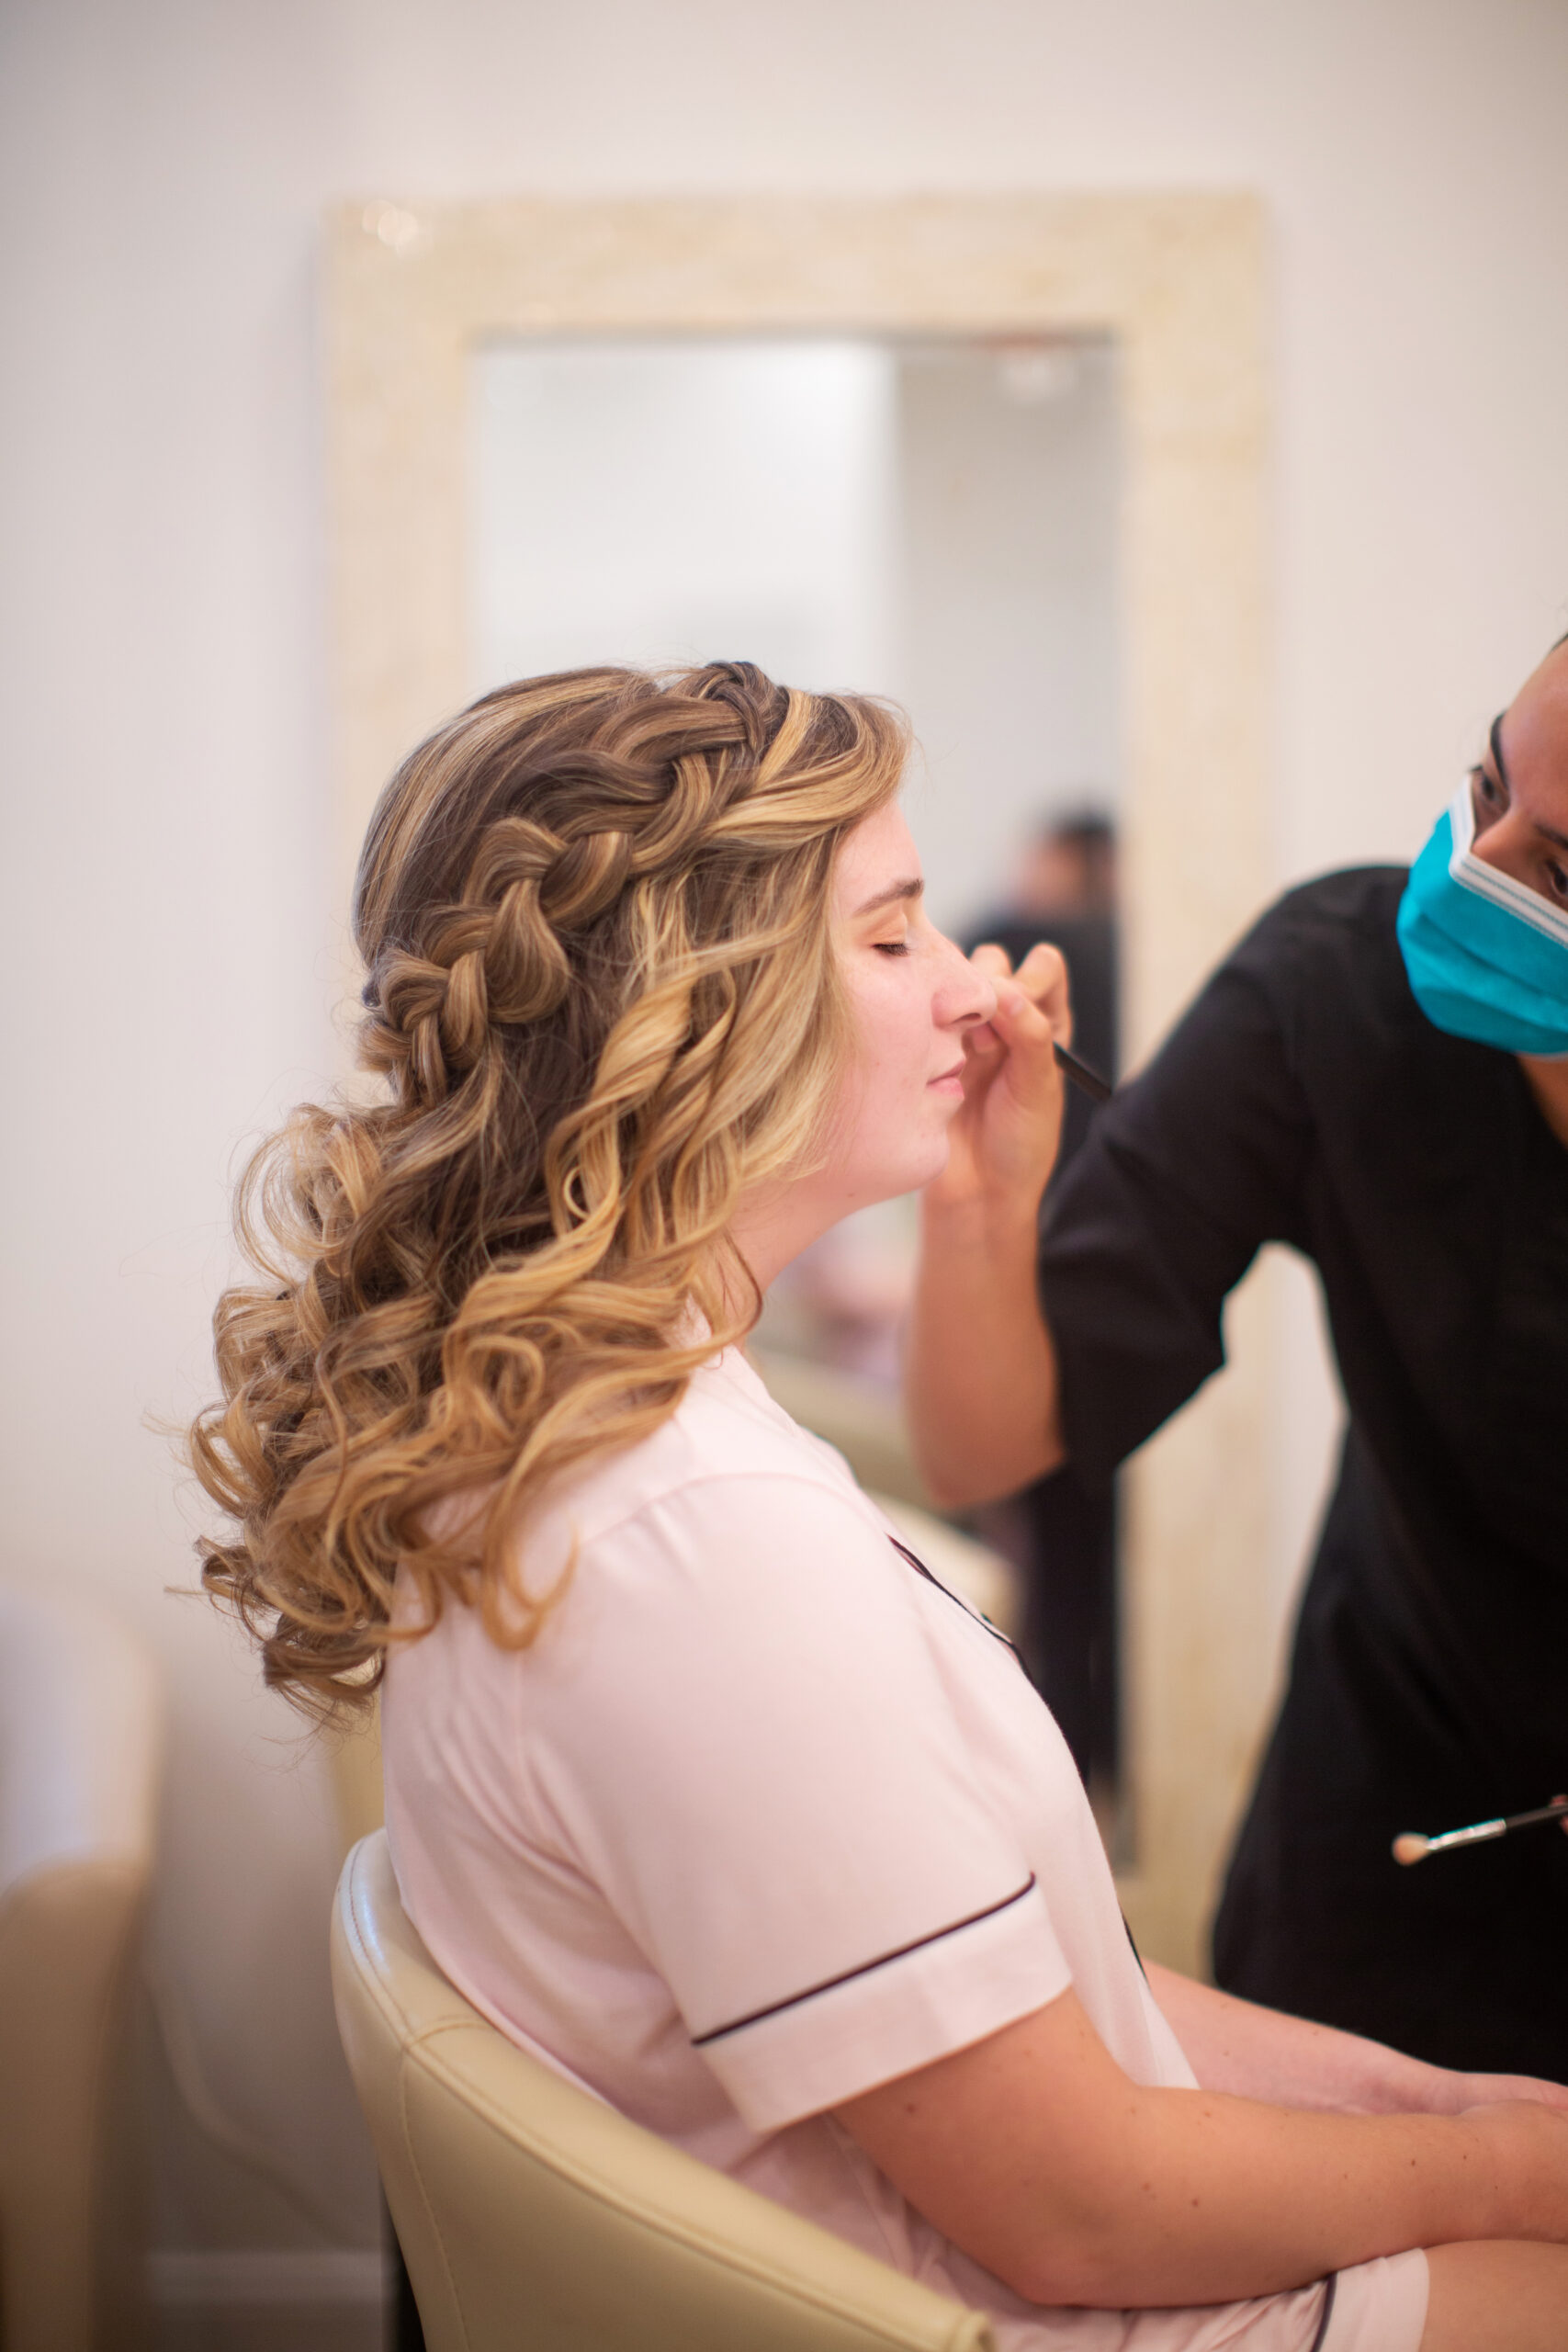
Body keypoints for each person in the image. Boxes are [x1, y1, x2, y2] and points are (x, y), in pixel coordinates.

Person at [190, 662, 1568, 2352]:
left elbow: (1072, 2016)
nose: (976, 992)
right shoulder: (687, 1547)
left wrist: (1452, 2121)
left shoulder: (611, 1432)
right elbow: (1083, 2205)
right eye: (897, 933)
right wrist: (1505, 2170)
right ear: (704, 1013)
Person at [908, 632, 1568, 2088]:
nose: (1476, 867)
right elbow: (983, 1450)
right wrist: (978, 1201)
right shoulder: (1334, 994)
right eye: (1484, 783)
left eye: (1559, 872)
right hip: (1386, 1858)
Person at [961, 811, 1121, 1784]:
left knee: (1060, 1566)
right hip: (1097, 1264)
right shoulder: (1134, 946)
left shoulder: (1027, 936)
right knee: (1090, 1561)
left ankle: (1067, 1745)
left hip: (1048, 1267)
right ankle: (1089, 1756)